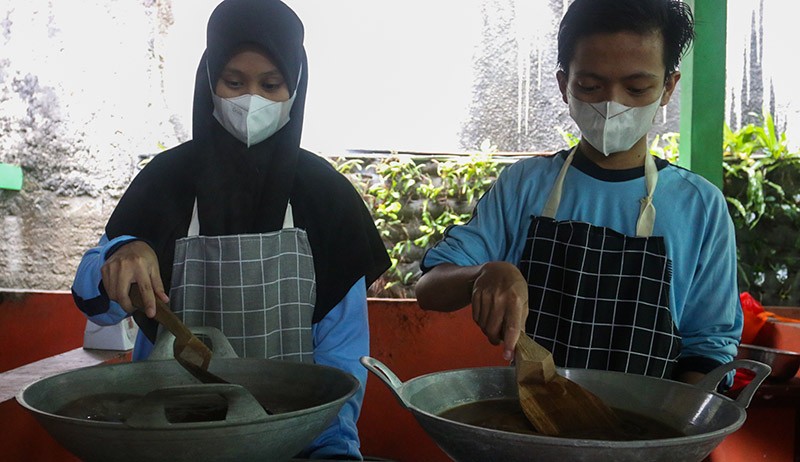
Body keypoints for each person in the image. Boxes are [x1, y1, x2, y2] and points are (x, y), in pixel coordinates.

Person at [71, 0, 390, 459]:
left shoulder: (326, 197)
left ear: (295, 88)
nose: (251, 100)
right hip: (168, 438)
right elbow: (93, 303)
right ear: (209, 81)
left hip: (296, 440)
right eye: (234, 82)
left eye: (271, 84)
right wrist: (119, 254)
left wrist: (330, 445)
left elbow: (341, 357)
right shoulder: (167, 180)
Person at [416, 0, 742, 386]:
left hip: (650, 431)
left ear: (668, 87)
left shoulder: (699, 205)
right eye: (590, 86)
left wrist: (675, 432)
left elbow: (708, 345)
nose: (612, 104)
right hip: (534, 421)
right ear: (563, 85)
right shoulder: (525, 185)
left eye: (636, 88)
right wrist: (483, 274)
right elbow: (430, 289)